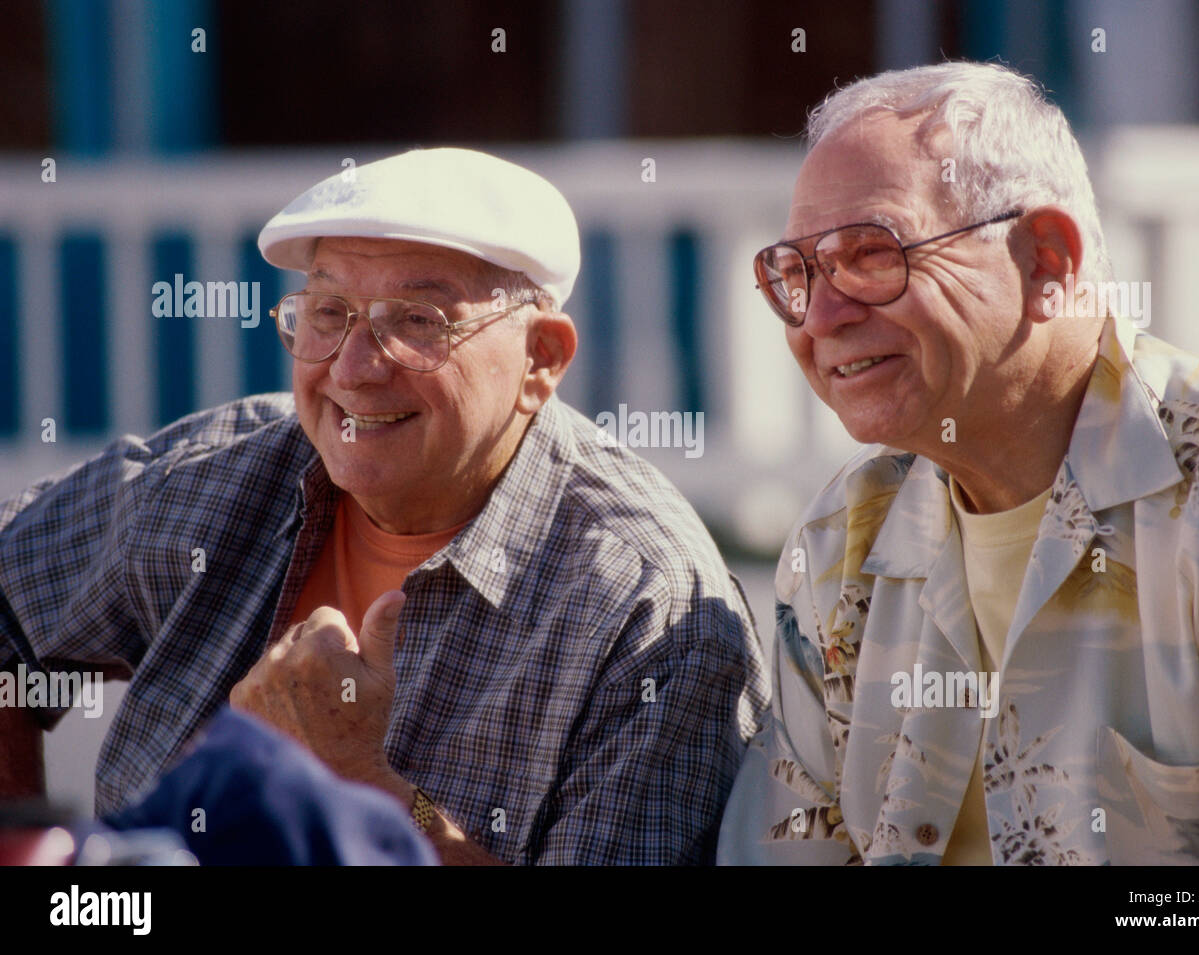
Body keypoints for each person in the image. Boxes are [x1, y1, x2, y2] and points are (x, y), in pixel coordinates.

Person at [0, 147, 768, 865]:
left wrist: (371, 786)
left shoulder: (652, 607)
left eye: (416, 322)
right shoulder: (221, 474)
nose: (356, 369)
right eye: (329, 313)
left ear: (542, 359)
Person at [717, 62, 1199, 865]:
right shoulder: (838, 548)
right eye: (797, 272)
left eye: (871, 256)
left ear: (1047, 261)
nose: (821, 316)